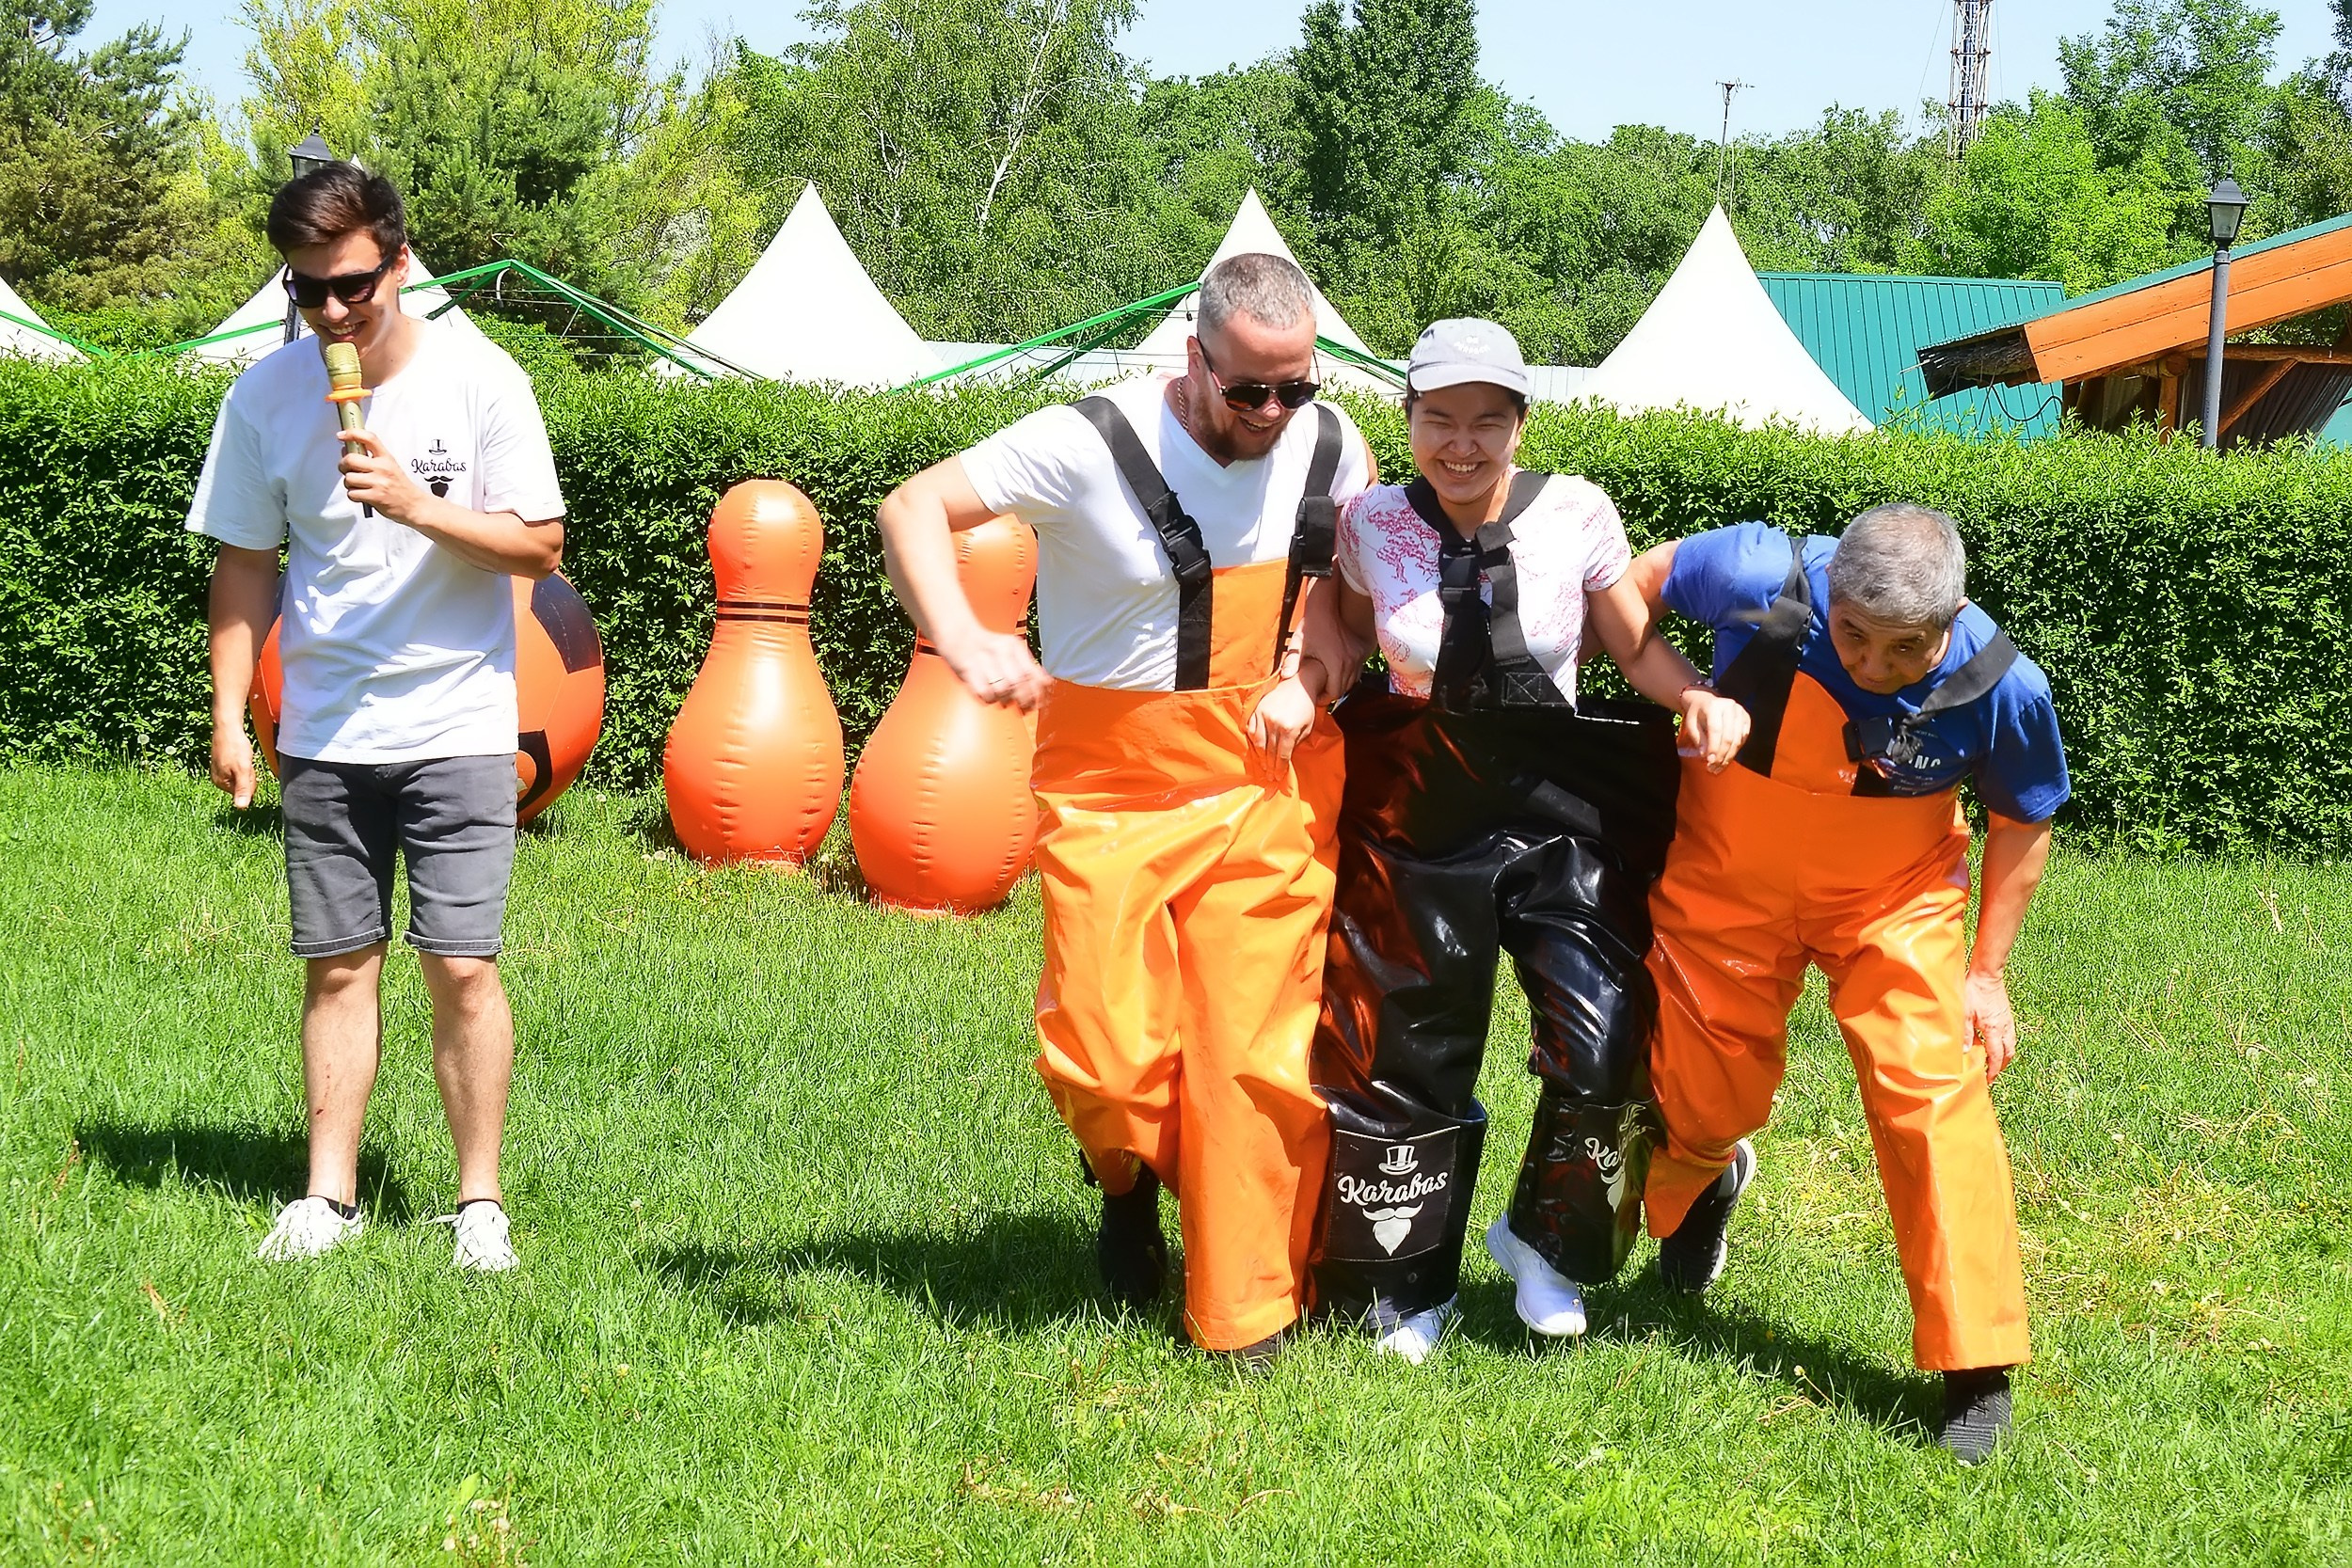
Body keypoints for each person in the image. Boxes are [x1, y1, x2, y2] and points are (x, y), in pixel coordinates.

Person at [876, 253, 1375, 1362]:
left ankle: (1246, 1308)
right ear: (1190, 358)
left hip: (1267, 785)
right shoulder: (1081, 442)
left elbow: (1342, 607)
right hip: (1107, 791)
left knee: (1250, 1047)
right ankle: (1123, 1179)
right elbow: (911, 505)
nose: (1275, 412)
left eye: (1297, 386)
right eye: (1250, 388)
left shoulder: (1335, 451)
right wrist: (960, 635)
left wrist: (1315, 673)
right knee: (1106, 1057)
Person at [1252, 320, 1752, 1363]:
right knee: (1403, 1040)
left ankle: (1547, 1241)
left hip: (1560, 803)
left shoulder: (1576, 511)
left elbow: (1631, 643)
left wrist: (1698, 700)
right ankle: (1403, 1280)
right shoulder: (1370, 521)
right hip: (1421, 799)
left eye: (1486, 419)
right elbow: (1341, 626)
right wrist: (1308, 683)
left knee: (1607, 1028)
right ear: (1411, 420)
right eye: (1438, 417)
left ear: (1520, 422)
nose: (1462, 442)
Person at [1628, 506, 2067, 1463]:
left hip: (1891, 899)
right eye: (1854, 635)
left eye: (1903, 649)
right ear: (1829, 591)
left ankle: (1974, 1364)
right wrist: (1683, 692)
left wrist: (1984, 973)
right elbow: (1623, 588)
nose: (1871, 665)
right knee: (1702, 1089)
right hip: (1725, 874)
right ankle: (1701, 1179)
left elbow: (2024, 817)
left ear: (1949, 620)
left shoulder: (2004, 684)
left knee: (1931, 1089)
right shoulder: (1751, 566)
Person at [190, 163, 566, 1271]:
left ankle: (478, 1206)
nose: (334, 312)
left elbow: (540, 543)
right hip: (322, 731)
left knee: (461, 966)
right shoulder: (264, 398)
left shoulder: (480, 378)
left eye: (353, 283)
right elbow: (245, 564)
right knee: (338, 964)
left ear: (399, 260)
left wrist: (417, 503)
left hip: (457, 721)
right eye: (308, 293)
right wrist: (227, 712)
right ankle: (327, 1197)